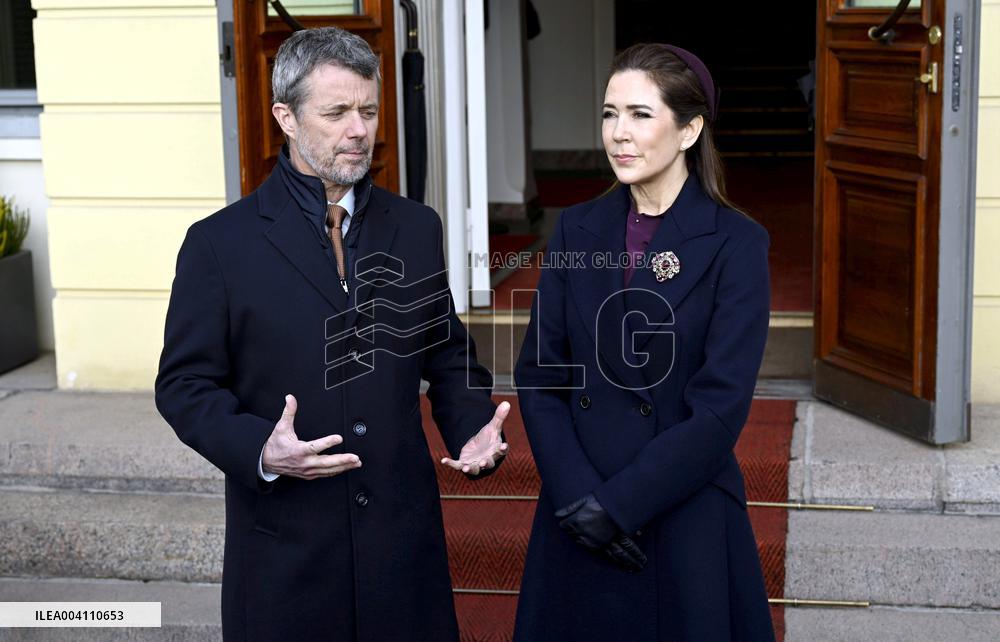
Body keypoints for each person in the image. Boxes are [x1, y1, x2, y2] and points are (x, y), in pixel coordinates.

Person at [155, 27, 510, 642]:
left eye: (368, 111)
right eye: (337, 112)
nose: (358, 130)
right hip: (285, 554)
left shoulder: (416, 227)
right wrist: (261, 449)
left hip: (400, 547)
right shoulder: (218, 244)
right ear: (286, 118)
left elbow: (446, 353)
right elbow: (184, 385)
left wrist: (472, 423)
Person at [513, 43, 776, 641]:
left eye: (639, 114)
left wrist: (618, 507)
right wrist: (578, 500)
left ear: (689, 130)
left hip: (679, 510)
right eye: (609, 114)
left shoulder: (737, 244)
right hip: (576, 507)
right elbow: (542, 374)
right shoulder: (576, 228)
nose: (618, 134)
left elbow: (719, 409)